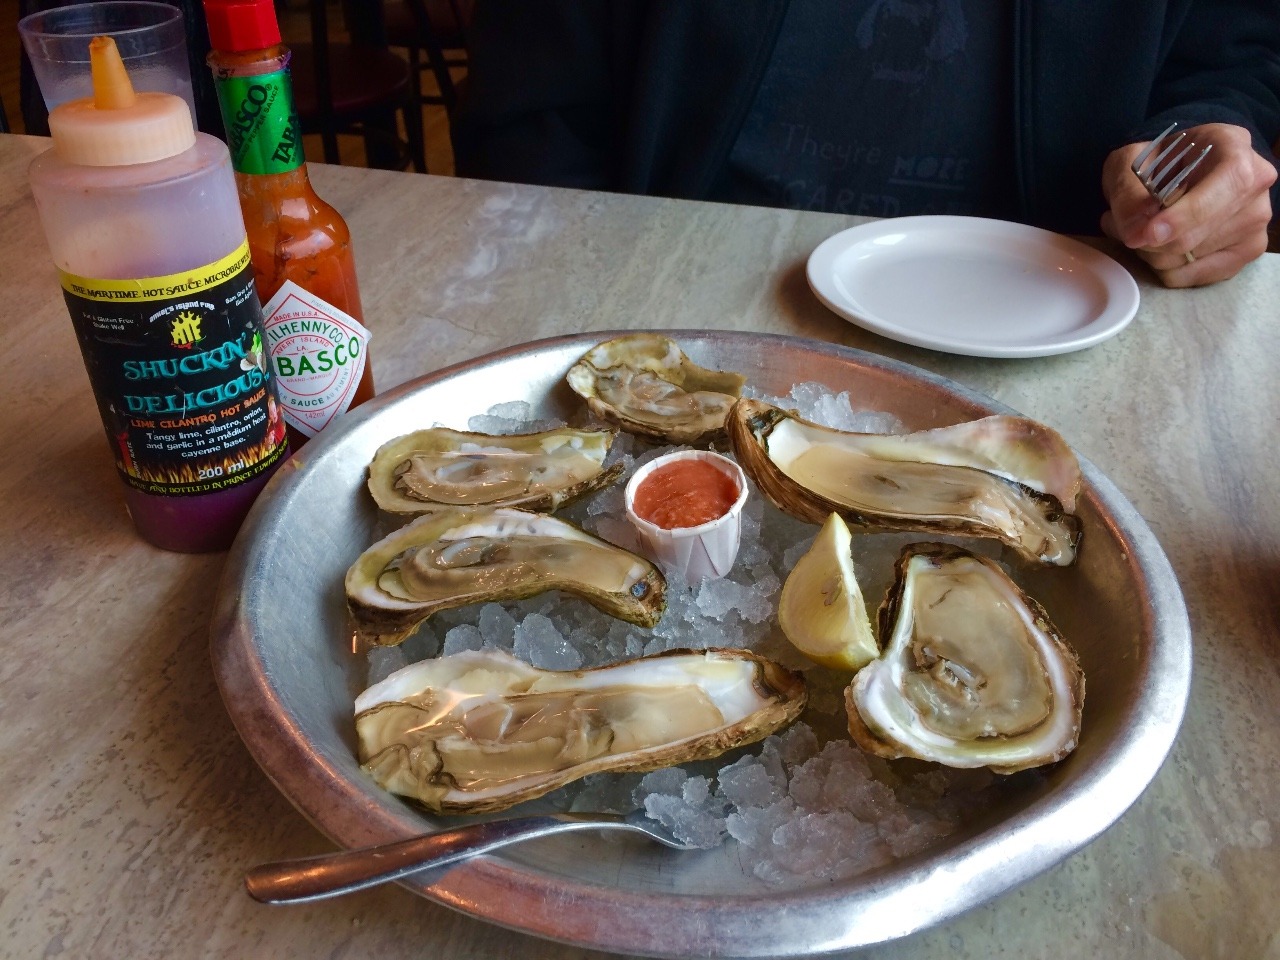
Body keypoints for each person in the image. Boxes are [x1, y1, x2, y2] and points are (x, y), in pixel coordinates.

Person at [451, 0, 1280, 288]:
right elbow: (533, 112)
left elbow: (1235, 57)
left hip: (1065, 298)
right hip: (674, 294)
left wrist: (1203, 151)